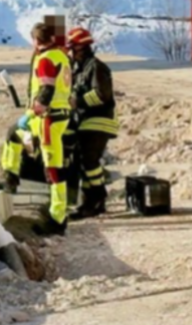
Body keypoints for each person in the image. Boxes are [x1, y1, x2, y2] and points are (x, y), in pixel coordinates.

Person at [24, 21, 74, 235]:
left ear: (36, 40)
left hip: (49, 117)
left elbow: (46, 88)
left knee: (53, 167)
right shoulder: (62, 56)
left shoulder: (45, 59)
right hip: (62, 115)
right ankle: (57, 211)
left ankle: (57, 216)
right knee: (54, 165)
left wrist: (36, 109)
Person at [66, 27, 119, 220]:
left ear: (81, 47)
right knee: (84, 162)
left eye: (72, 48)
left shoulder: (96, 67)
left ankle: (96, 196)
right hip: (86, 121)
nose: (70, 52)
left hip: (98, 121)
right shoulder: (80, 68)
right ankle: (91, 203)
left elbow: (101, 94)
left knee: (89, 161)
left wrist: (77, 101)